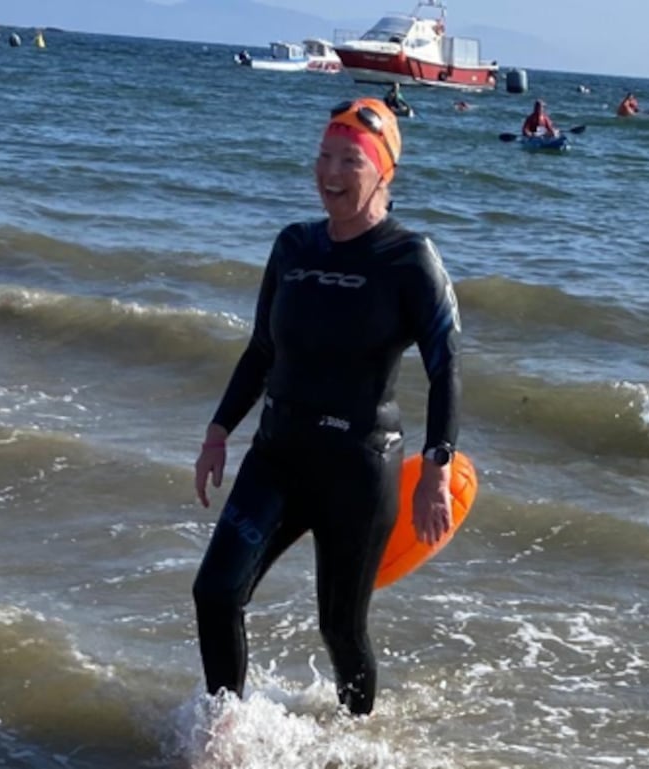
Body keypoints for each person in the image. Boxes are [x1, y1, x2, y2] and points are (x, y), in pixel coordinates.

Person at [192, 97, 462, 717]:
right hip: (278, 455)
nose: (329, 172)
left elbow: (447, 367)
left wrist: (437, 469)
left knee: (340, 628)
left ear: (384, 172)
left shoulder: (409, 259)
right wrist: (217, 431)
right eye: (323, 156)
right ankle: (224, 734)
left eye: (349, 160)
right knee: (215, 591)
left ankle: (356, 743)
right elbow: (262, 347)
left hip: (359, 469)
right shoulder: (293, 247)